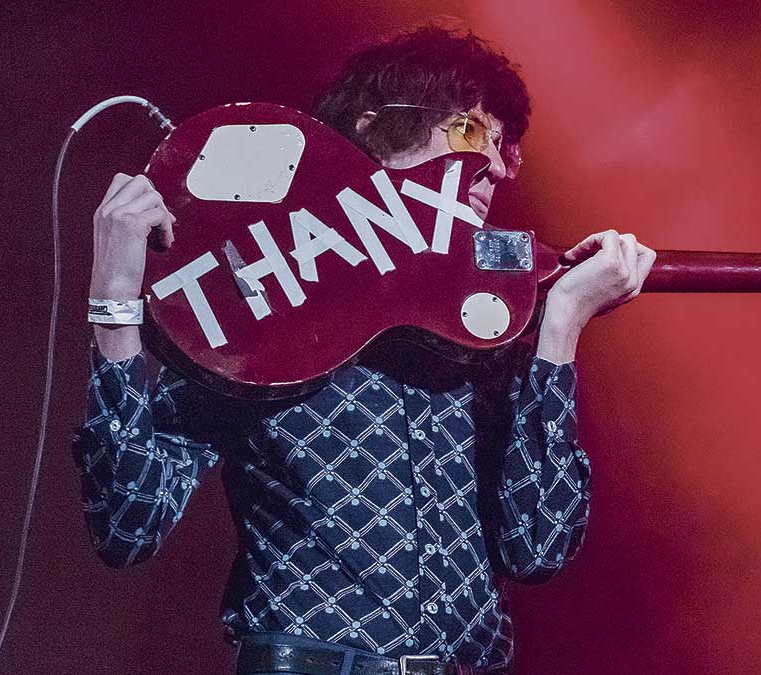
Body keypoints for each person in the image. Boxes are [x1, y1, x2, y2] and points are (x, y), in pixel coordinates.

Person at [73, 24, 655, 675]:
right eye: (468, 131)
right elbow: (127, 522)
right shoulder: (270, 300)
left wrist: (562, 323)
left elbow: (540, 546)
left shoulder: (490, 323)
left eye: (504, 145)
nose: (492, 163)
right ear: (376, 127)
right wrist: (115, 303)